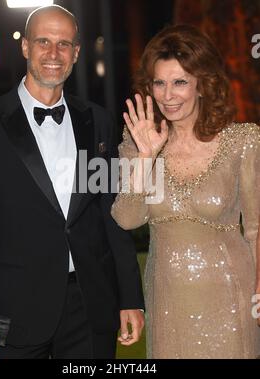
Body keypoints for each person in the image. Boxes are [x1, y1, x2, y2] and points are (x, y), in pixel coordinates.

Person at [0, 5, 144, 359]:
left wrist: (130, 299)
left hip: (90, 308)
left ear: (76, 52)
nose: (53, 54)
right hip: (9, 309)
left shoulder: (98, 121)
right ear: (26, 47)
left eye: (64, 44)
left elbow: (112, 215)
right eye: (43, 41)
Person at [111, 24, 260, 358]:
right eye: (159, 83)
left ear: (203, 85)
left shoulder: (243, 140)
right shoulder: (138, 138)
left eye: (180, 82)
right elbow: (127, 218)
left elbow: (256, 227)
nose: (168, 94)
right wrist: (146, 158)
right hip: (168, 299)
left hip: (231, 293)